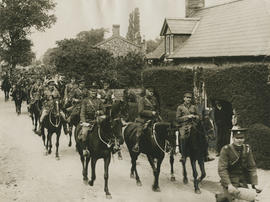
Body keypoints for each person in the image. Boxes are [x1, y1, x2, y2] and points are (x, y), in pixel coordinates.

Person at [217, 126, 262, 202]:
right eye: (237, 138)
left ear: (244, 139)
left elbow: (252, 167)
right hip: (230, 182)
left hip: (243, 182)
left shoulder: (247, 148)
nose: (239, 140)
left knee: (253, 199)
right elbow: (222, 169)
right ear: (233, 138)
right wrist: (229, 185)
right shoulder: (226, 149)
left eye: (241, 138)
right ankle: (220, 196)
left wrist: (254, 183)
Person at [79, 87, 105, 156]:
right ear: (89, 92)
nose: (93, 94)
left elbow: (104, 110)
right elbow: (82, 113)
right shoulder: (85, 101)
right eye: (92, 92)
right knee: (84, 133)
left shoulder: (99, 101)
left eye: (95, 92)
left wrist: (99, 112)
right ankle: (85, 149)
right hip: (88, 121)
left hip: (97, 120)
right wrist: (84, 122)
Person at [132, 87, 159, 153]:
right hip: (143, 119)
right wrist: (151, 113)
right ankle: (137, 145)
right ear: (146, 92)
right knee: (139, 131)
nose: (151, 93)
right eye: (150, 92)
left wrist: (156, 113)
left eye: (152, 92)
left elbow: (157, 108)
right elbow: (140, 111)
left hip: (153, 118)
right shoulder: (142, 100)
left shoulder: (154, 99)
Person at [176, 92, 200, 162]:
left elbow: (198, 116)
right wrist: (187, 117)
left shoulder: (194, 107)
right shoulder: (180, 107)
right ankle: (183, 156)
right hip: (184, 125)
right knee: (183, 137)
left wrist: (195, 116)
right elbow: (177, 119)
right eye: (187, 98)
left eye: (190, 98)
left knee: (201, 135)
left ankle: (204, 154)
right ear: (184, 98)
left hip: (193, 125)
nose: (189, 99)